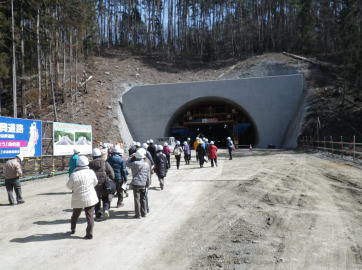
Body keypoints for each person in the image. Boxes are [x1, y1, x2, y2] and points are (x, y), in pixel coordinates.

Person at [66, 156, 98, 239]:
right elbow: (95, 182)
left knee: (75, 215)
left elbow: (69, 186)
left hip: (78, 197)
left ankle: (73, 229)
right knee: (90, 216)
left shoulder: (74, 175)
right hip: (90, 197)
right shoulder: (91, 172)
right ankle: (89, 233)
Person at [89, 148, 115, 220]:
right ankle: (106, 209)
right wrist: (111, 179)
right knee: (105, 198)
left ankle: (98, 215)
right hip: (104, 184)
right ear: (100, 155)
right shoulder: (105, 163)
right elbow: (112, 173)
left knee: (96, 200)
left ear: (93, 156)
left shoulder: (90, 164)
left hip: (94, 185)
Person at [126, 148, 150, 218]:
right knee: (143, 198)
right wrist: (147, 184)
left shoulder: (134, 163)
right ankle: (144, 213)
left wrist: (131, 157)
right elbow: (148, 176)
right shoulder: (146, 164)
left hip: (136, 183)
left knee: (137, 199)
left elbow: (126, 163)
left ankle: (138, 214)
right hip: (143, 183)